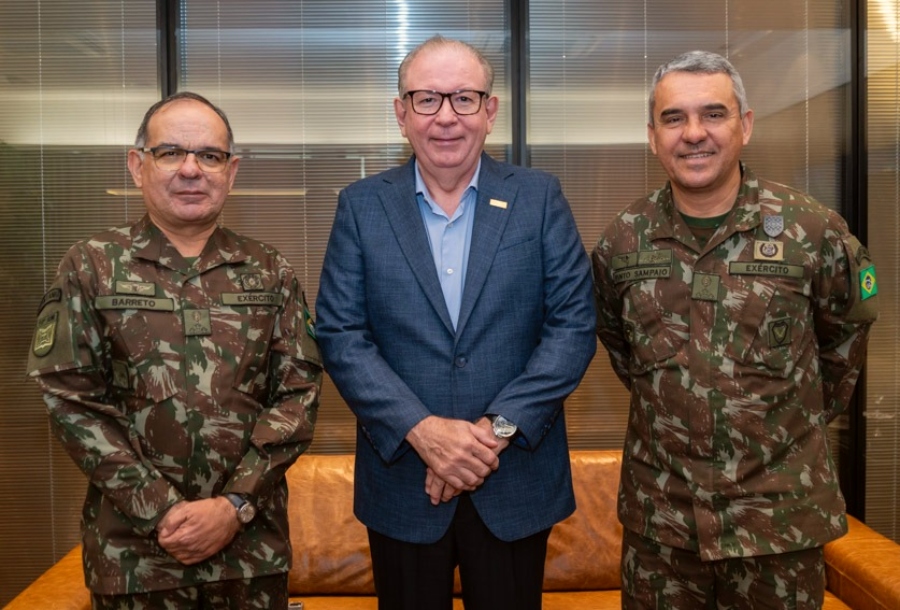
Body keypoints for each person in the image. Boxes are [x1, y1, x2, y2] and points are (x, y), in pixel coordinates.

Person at [315, 35, 596, 610]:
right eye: (426, 99)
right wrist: (423, 431)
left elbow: (573, 326)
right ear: (401, 114)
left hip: (515, 483)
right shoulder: (361, 205)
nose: (446, 117)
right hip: (404, 486)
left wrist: (491, 433)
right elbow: (341, 334)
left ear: (490, 111)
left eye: (464, 98)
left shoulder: (539, 199)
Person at [592, 50, 878, 609]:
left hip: (778, 526)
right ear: (653, 136)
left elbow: (843, 347)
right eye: (673, 118)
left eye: (713, 114)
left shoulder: (813, 232)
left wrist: (779, 422)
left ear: (744, 125)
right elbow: (624, 352)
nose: (693, 134)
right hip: (662, 530)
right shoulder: (623, 241)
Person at [26, 91, 322, 609]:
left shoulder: (269, 270)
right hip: (136, 559)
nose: (192, 169)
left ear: (231, 172)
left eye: (209, 155)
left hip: (251, 556)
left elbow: (298, 396)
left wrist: (234, 506)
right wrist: (162, 511)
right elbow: (70, 399)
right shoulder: (91, 265)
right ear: (137, 165)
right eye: (171, 153)